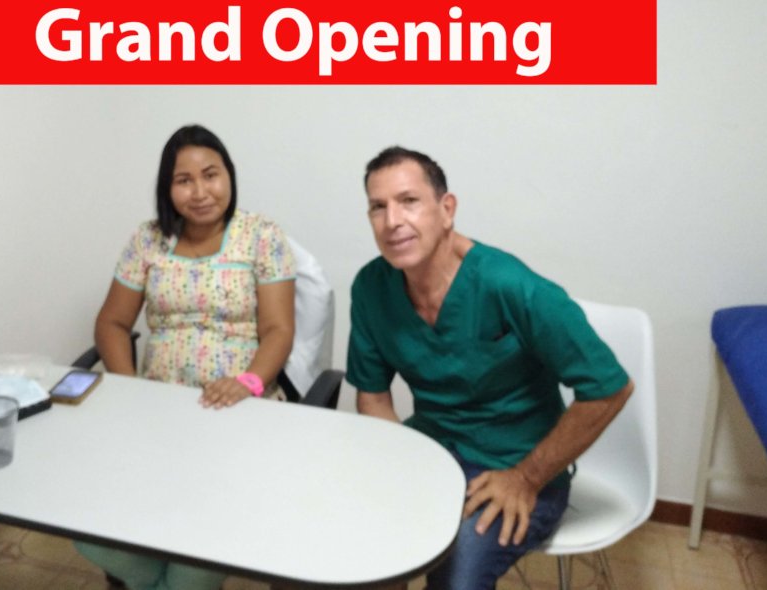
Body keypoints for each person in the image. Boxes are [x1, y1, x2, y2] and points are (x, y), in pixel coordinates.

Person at [346, 146, 633, 590]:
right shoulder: (371, 286)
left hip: (515, 465)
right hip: (431, 452)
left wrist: (527, 477)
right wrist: (403, 469)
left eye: (409, 201)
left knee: (455, 578)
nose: (392, 221)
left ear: (446, 210)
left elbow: (610, 388)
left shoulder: (510, 285)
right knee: (357, 551)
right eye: (377, 207)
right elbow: (373, 397)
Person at [75, 124, 296, 590]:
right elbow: (112, 323)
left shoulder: (261, 235)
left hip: (238, 411)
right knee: (75, 516)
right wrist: (130, 388)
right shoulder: (148, 240)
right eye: (184, 180)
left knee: (200, 535)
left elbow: (278, 330)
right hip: (158, 414)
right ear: (167, 188)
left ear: (229, 177)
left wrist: (249, 383)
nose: (200, 192)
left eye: (210, 175)